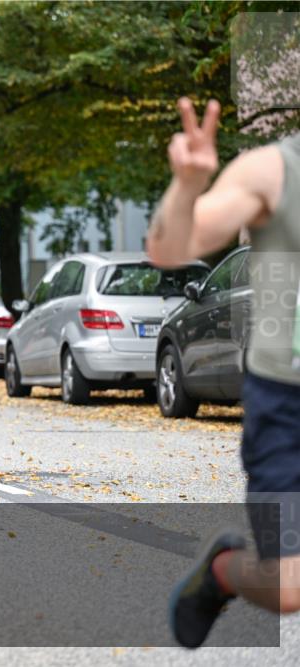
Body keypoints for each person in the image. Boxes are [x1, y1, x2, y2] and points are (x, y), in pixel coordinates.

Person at [147, 98, 300, 648]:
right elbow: (170, 247)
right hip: (288, 406)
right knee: (288, 587)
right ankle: (222, 571)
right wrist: (188, 186)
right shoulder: (274, 171)